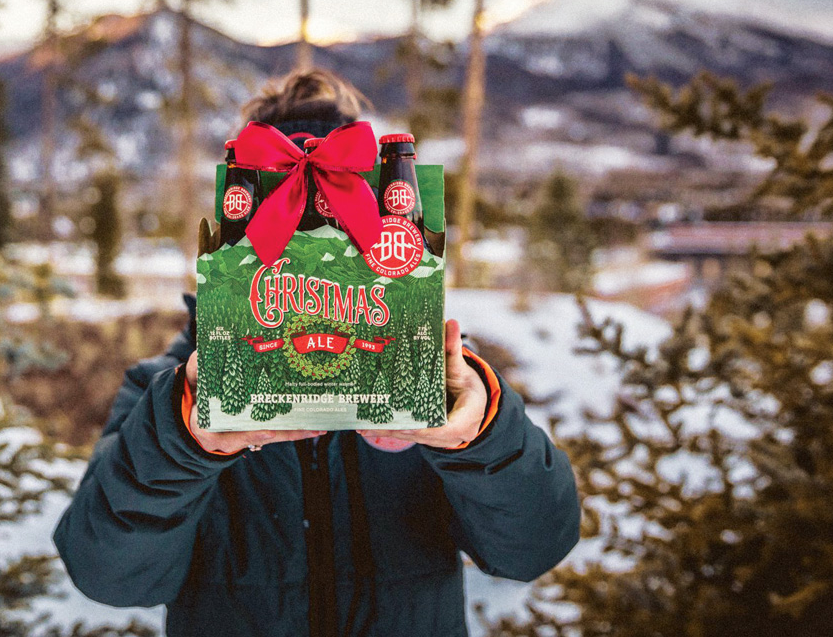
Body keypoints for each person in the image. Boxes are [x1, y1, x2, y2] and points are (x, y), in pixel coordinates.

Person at [53, 69, 581, 637]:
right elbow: (108, 575)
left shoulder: (435, 378)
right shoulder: (167, 391)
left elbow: (533, 548)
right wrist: (182, 445)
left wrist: (478, 438)